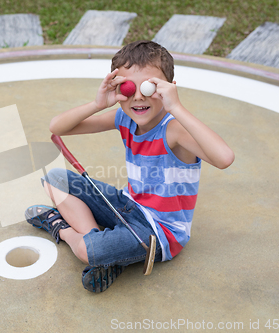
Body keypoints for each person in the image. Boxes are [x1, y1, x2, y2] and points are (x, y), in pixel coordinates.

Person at [25, 40, 234, 293]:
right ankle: (104, 249)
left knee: (86, 250)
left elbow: (224, 158)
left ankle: (64, 230)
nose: (138, 96)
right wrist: (98, 104)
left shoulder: (175, 130)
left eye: (150, 87)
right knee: (54, 179)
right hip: (127, 204)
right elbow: (58, 127)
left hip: (159, 232)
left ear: (168, 89)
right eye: (128, 87)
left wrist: (176, 107)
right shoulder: (122, 116)